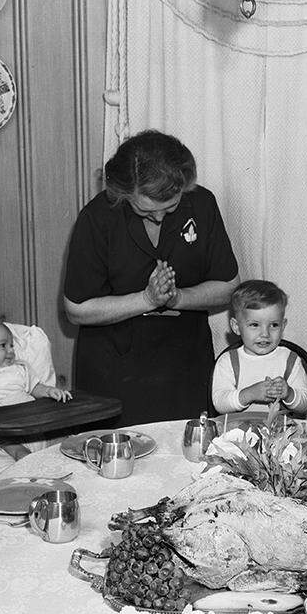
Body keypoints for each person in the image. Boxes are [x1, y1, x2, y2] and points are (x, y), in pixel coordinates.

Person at [63, 130, 240, 424]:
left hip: (184, 364)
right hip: (113, 370)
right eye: (145, 211)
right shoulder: (97, 218)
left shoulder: (201, 204)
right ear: (122, 194)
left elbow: (228, 286)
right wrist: (146, 299)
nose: (159, 218)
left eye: (170, 208)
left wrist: (178, 297)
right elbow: (76, 308)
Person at [0, 318, 73, 481]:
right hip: (2, 429)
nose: (11, 350)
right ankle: (33, 471)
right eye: (3, 345)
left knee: (62, 439)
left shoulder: (20, 368)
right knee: (17, 450)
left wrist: (50, 391)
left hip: (33, 422)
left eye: (12, 345)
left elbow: (35, 388)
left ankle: (66, 469)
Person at [211, 280, 307, 416]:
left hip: (280, 434)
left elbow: (305, 403)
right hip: (235, 434)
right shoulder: (228, 361)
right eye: (254, 325)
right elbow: (219, 403)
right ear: (236, 327)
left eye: (274, 325)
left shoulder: (290, 360)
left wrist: (289, 394)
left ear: (283, 326)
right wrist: (249, 394)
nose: (265, 334)